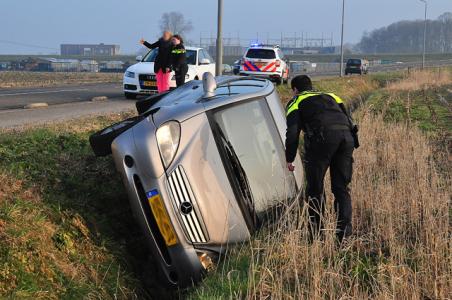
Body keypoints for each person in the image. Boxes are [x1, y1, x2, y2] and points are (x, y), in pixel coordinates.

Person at [285, 75, 359, 242]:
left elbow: (292, 133)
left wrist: (289, 158)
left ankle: (316, 235)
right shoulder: (333, 96)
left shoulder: (295, 102)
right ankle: (344, 237)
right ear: (311, 86)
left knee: (315, 190)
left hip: (322, 141)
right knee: (341, 189)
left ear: (295, 90)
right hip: (346, 140)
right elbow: (348, 119)